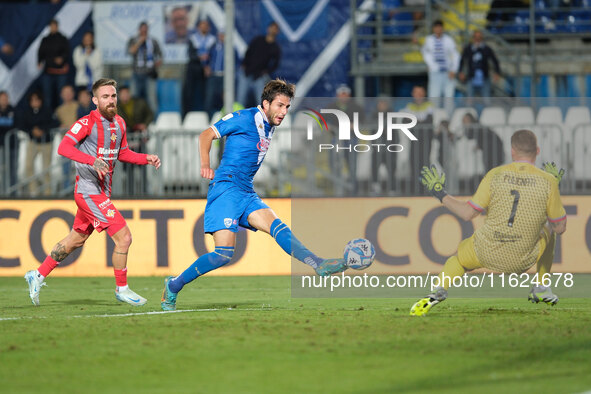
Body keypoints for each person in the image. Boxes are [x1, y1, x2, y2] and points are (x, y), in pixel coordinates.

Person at [160, 79, 348, 311]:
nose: (283, 112)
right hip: (226, 188)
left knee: (277, 226)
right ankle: (174, 285)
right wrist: (206, 164)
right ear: (266, 103)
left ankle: (317, 263)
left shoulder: (269, 126)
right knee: (223, 254)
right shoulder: (244, 118)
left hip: (246, 191)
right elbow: (205, 135)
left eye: (287, 107)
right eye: (279, 105)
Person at [24, 78, 161, 307]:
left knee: (75, 240)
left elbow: (123, 152)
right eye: (105, 97)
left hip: (102, 192)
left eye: (113, 96)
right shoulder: (86, 122)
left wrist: (145, 158)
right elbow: (63, 147)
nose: (110, 100)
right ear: (95, 100)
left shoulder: (120, 123)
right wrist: (91, 160)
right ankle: (122, 288)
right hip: (87, 191)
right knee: (124, 237)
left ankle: (37, 275)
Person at [411, 129, 567, 316]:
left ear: (512, 151)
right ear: (538, 151)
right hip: (523, 258)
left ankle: (438, 290)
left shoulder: (495, 174)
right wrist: (554, 189)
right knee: (549, 229)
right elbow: (561, 227)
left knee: (458, 259)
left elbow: (468, 213)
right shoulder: (548, 181)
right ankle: (541, 287)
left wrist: (439, 193)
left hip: (485, 251)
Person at [19, 91, 58, 196]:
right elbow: (21, 124)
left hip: (47, 142)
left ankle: (48, 193)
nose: (35, 102)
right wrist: (32, 130)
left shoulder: (47, 110)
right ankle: (33, 192)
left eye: (37, 99)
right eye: (32, 100)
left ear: (41, 100)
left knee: (46, 169)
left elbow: (55, 122)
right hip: (33, 142)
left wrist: (42, 129)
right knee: (28, 166)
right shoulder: (26, 112)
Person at [236, 22, 281, 108]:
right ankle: (239, 119)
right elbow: (248, 51)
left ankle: (260, 120)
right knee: (240, 99)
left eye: (275, 29)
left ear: (278, 31)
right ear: (268, 28)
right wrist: (244, 64)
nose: (273, 30)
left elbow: (276, 64)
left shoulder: (275, 47)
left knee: (261, 101)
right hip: (247, 72)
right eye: (272, 27)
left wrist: (266, 71)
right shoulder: (258, 40)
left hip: (259, 76)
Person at [421, 20, 459, 112]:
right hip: (435, 73)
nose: (438, 29)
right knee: (434, 97)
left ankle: (449, 119)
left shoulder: (449, 40)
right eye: (436, 27)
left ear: (442, 28)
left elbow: (455, 55)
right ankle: (434, 119)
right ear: (434, 29)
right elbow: (425, 53)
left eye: (440, 27)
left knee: (449, 97)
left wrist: (454, 69)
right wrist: (431, 65)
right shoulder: (429, 40)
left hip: (447, 72)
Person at [403, 85, 433, 195]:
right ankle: (415, 189)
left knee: (425, 164)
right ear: (413, 94)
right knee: (414, 163)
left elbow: (429, 121)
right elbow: (405, 121)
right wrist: (419, 123)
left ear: (424, 94)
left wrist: (415, 123)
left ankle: (426, 189)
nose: (418, 96)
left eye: (420, 93)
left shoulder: (429, 105)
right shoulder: (409, 106)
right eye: (416, 93)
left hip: (425, 140)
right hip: (414, 140)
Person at [127, 21, 162, 113]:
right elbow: (131, 51)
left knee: (151, 99)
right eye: (142, 31)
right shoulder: (133, 40)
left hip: (149, 74)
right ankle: (135, 120)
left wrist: (158, 62)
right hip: (136, 73)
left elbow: (160, 55)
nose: (144, 33)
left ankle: (153, 122)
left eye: (145, 31)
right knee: (135, 97)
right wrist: (140, 42)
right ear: (139, 30)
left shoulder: (153, 41)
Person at [458, 30, 501, 105]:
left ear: (482, 38)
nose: (477, 39)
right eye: (476, 37)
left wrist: (497, 72)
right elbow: (462, 60)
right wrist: (461, 72)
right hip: (471, 77)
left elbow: (495, 60)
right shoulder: (468, 48)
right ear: (473, 38)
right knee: (469, 100)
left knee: (486, 100)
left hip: (484, 78)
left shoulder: (486, 49)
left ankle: (487, 115)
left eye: (479, 37)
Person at [183, 19, 216, 115]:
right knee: (188, 92)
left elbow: (214, 56)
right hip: (194, 67)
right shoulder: (193, 38)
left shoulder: (212, 40)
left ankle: (206, 115)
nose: (204, 27)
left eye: (206, 25)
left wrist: (208, 66)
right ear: (198, 27)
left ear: (209, 28)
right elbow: (190, 54)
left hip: (206, 69)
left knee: (206, 94)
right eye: (202, 25)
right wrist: (199, 57)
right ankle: (186, 114)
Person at [37, 19, 71, 111]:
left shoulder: (63, 39)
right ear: (49, 27)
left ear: (57, 26)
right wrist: (39, 61)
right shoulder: (45, 39)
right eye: (51, 26)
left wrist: (62, 59)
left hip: (61, 72)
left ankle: (62, 115)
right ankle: (48, 115)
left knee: (62, 95)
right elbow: (41, 52)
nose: (53, 28)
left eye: (54, 26)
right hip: (48, 71)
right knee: (47, 96)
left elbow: (67, 52)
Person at [204, 29, 227, 118]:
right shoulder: (213, 46)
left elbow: (236, 62)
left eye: (223, 35)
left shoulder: (230, 48)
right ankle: (207, 119)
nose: (222, 37)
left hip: (224, 76)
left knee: (225, 99)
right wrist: (206, 67)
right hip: (213, 75)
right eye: (220, 34)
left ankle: (224, 118)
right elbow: (207, 57)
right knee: (209, 98)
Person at [0, 91, 17, 193]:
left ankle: (12, 192)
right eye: (2, 98)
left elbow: (15, 124)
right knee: (2, 170)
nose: (4, 100)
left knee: (12, 170)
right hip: (0, 146)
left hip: (11, 145)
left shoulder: (13, 110)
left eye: (6, 98)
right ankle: (2, 192)